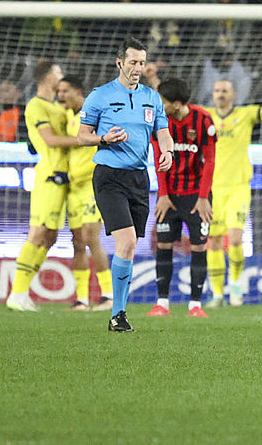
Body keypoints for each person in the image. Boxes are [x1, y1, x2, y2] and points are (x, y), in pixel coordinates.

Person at [77, 37, 173, 333]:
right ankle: (118, 314)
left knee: (129, 247)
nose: (138, 68)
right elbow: (83, 136)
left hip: (138, 178)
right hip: (109, 176)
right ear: (119, 63)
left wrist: (168, 151)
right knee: (128, 241)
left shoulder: (151, 97)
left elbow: (163, 132)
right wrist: (104, 138)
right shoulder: (100, 95)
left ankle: (118, 313)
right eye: (132, 62)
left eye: (142, 63)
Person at [204, 74, 262, 307]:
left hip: (238, 187)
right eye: (217, 91)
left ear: (233, 95)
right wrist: (155, 80)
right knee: (212, 241)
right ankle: (217, 295)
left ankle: (235, 286)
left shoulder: (245, 115)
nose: (220, 94)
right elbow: (173, 105)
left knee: (233, 238)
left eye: (224, 91)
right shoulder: (204, 116)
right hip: (212, 189)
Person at [5, 61, 76, 312]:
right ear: (47, 78)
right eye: (58, 72)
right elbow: (48, 140)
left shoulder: (57, 106)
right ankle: (17, 293)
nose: (62, 76)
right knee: (37, 233)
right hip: (49, 176)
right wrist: (80, 139)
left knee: (51, 236)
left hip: (64, 178)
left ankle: (23, 291)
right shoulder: (36, 106)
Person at [147, 78, 216, 318]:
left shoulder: (203, 120)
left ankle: (195, 305)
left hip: (197, 197)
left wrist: (203, 198)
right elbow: (159, 159)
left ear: (176, 104)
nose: (159, 105)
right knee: (164, 245)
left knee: (199, 246)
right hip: (170, 195)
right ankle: (162, 304)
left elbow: (210, 162)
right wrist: (163, 195)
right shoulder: (160, 121)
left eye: (163, 102)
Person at [57, 75, 113, 311]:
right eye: (59, 91)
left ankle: (109, 296)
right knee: (78, 242)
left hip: (92, 186)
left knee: (92, 237)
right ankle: (81, 299)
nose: (61, 96)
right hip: (74, 190)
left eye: (65, 91)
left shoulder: (93, 116)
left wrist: (71, 176)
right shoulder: (67, 117)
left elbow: (97, 153)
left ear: (79, 92)